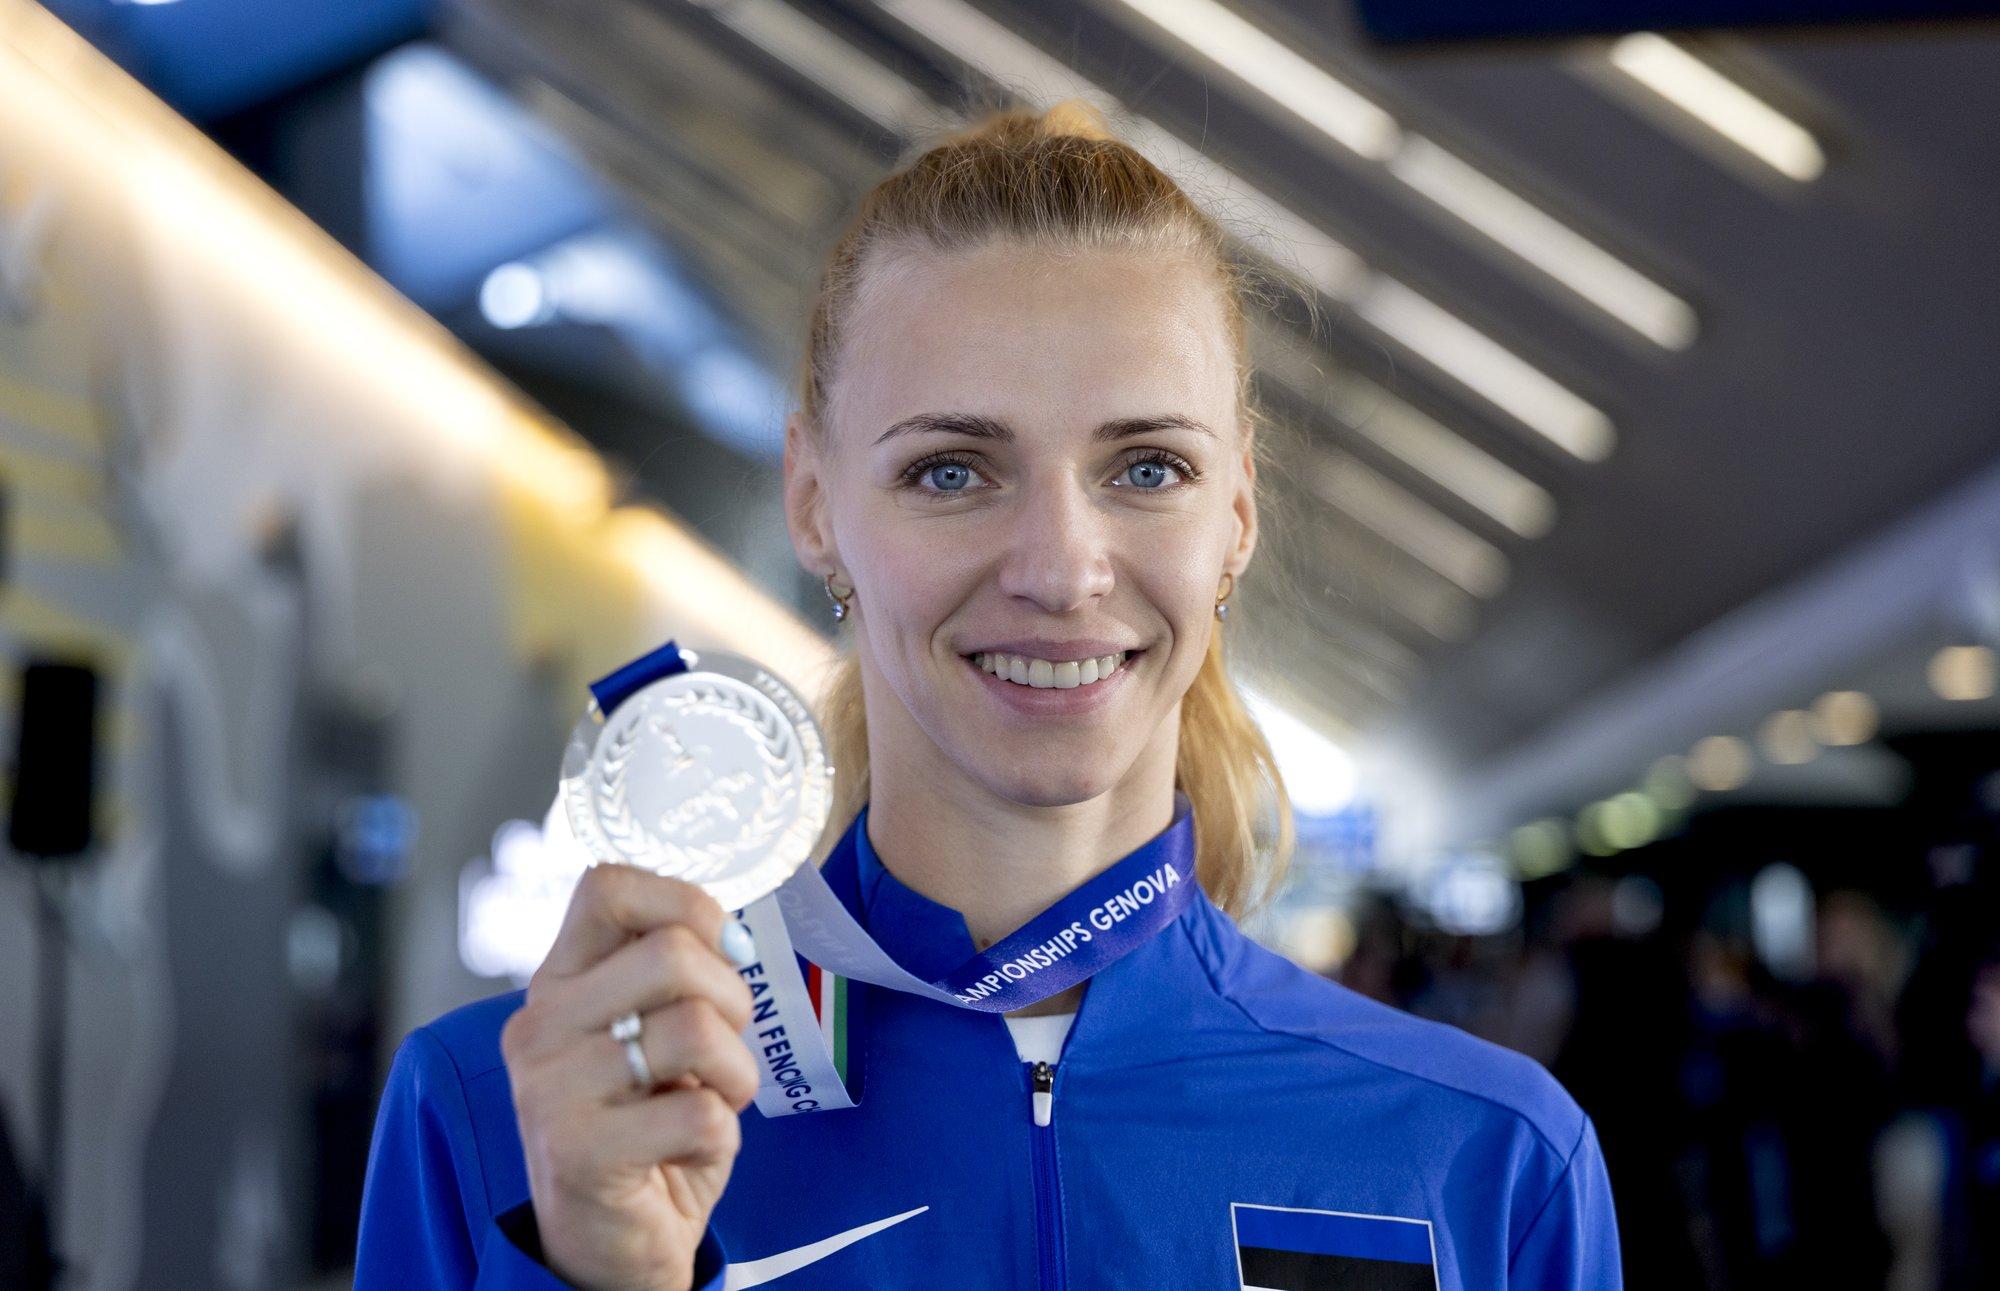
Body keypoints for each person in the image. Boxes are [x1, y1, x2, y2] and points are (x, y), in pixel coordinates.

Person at [355, 98, 1622, 1289]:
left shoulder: (1481, 1156)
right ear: (814, 503)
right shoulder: (510, 1119)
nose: (1060, 571)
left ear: (1235, 511)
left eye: (1145, 466)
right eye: (952, 472)